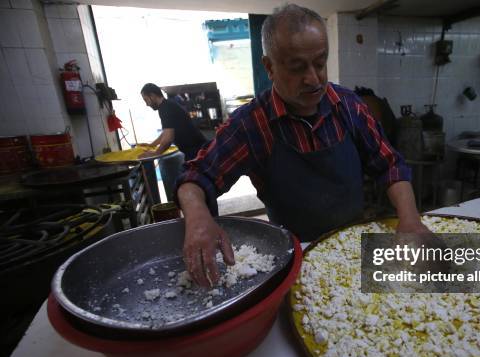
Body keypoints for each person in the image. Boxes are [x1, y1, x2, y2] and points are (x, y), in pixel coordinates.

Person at [176, 4, 431, 288]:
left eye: (320, 63)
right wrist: (197, 218)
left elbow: (390, 165)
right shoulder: (252, 124)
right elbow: (196, 178)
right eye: (298, 68)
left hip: (353, 245)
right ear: (269, 67)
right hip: (295, 256)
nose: (313, 79)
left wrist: (410, 220)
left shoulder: (348, 107)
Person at [139, 83, 207, 161]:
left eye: (146, 100)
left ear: (152, 95)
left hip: (197, 151)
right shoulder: (167, 105)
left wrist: (156, 153)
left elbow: (168, 139)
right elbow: (167, 132)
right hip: (196, 149)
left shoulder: (165, 108)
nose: (147, 104)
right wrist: (152, 145)